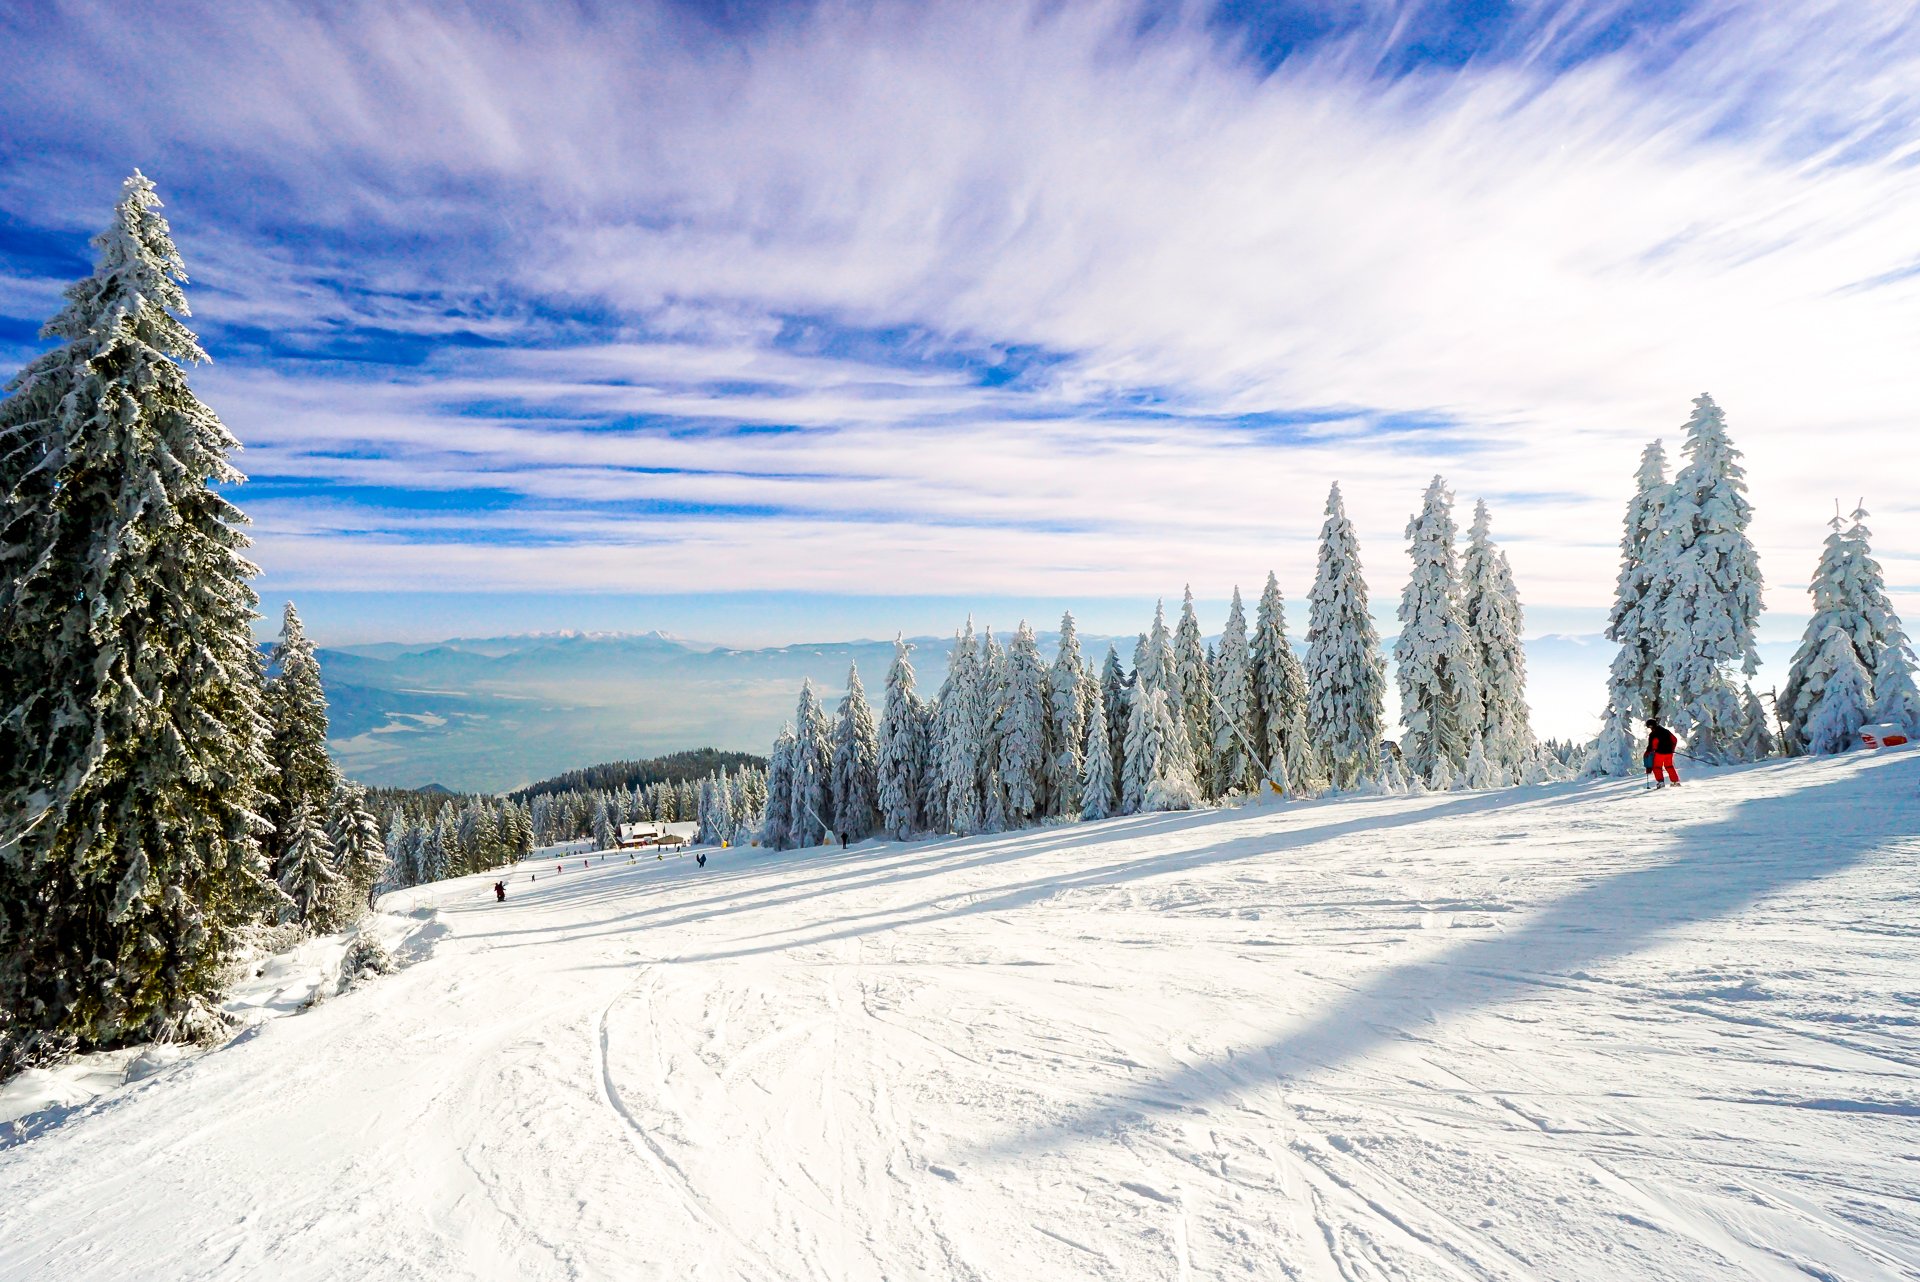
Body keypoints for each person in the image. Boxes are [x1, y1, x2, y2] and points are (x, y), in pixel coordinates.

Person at [1644, 718, 1680, 788]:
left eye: (1649, 727)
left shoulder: (1653, 734)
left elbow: (1653, 745)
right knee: (1669, 766)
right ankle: (1675, 781)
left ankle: (1661, 782)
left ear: (1651, 726)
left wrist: (1648, 753)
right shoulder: (1666, 731)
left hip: (1659, 753)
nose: (1650, 729)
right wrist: (1672, 749)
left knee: (1657, 767)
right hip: (1669, 753)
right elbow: (1674, 739)